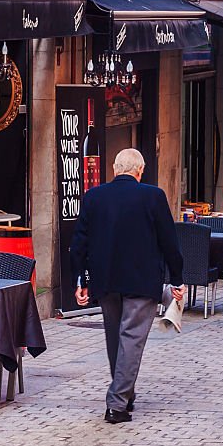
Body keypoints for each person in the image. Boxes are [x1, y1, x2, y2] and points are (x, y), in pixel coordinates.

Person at [70, 148, 186, 424]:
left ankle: (125, 392)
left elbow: (79, 243)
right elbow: (169, 242)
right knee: (131, 339)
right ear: (140, 170)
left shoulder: (94, 197)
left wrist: (80, 280)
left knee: (115, 337)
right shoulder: (153, 196)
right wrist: (178, 279)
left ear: (114, 168)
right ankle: (117, 404)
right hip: (141, 280)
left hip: (105, 280)